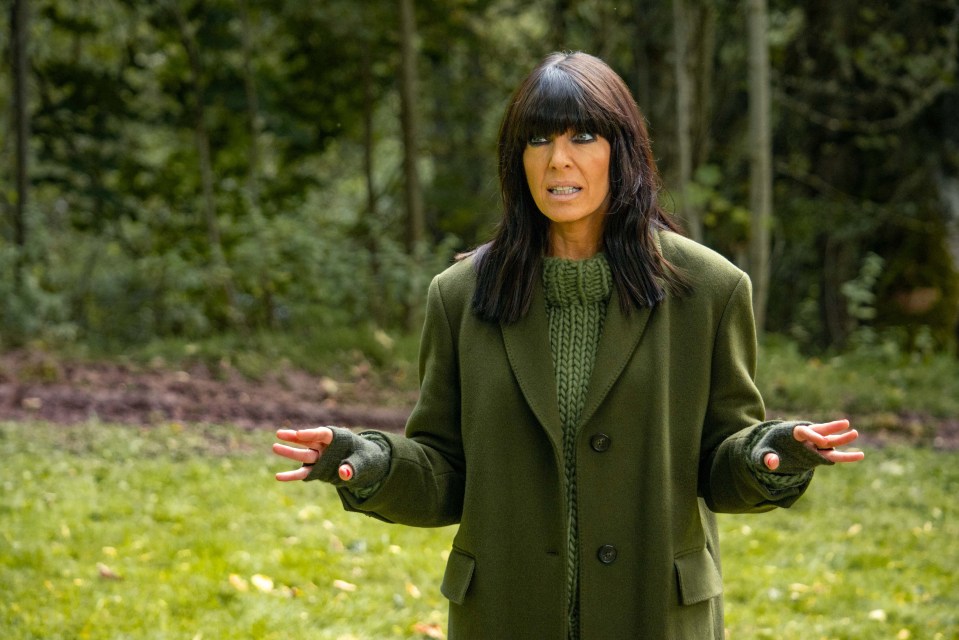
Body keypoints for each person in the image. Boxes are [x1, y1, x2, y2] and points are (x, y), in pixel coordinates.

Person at [273, 51, 864, 639]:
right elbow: (445, 473)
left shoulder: (710, 290)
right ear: (517, 160)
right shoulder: (458, 297)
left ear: (622, 152)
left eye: (583, 136)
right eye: (537, 140)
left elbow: (720, 463)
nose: (559, 159)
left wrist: (774, 456)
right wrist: (368, 463)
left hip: (654, 613)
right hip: (506, 615)